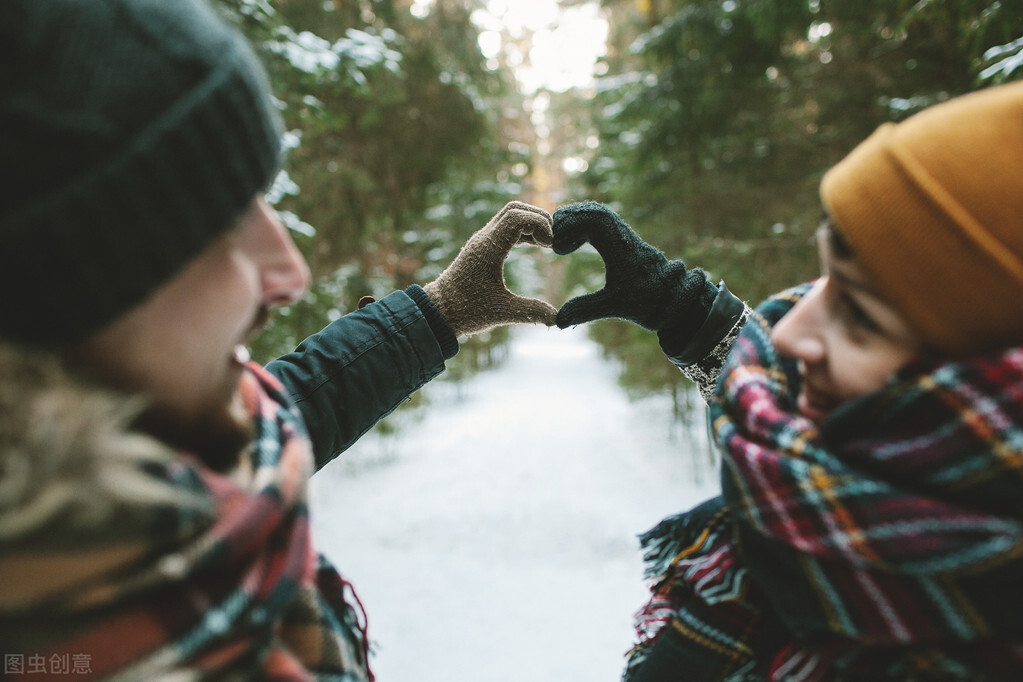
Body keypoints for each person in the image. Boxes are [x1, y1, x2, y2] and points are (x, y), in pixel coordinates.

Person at [0, 1, 556, 679]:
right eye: (224, 225)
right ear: (59, 285)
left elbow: (285, 406)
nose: (290, 272)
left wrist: (437, 312)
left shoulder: (171, 471)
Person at [550, 80, 1023, 681]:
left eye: (861, 317)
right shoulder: (824, 501)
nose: (791, 332)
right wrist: (683, 307)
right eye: (828, 279)